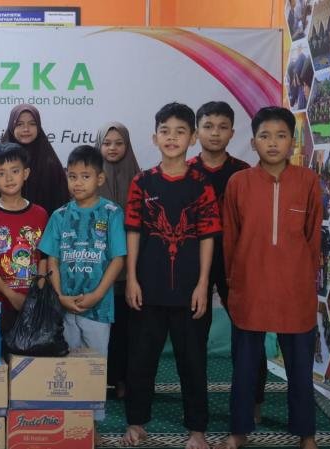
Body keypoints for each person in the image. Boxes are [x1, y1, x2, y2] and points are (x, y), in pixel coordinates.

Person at [217, 107, 322, 449]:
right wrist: (235, 282)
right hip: (250, 287)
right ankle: (238, 431)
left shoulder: (308, 181)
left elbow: (313, 239)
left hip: (295, 290)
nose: (273, 143)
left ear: (293, 142)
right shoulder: (239, 183)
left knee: (300, 369)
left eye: (280, 136)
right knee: (245, 368)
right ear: (253, 142)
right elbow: (230, 239)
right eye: (264, 136)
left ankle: (307, 434)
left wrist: (303, 277)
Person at [122, 103, 221, 449]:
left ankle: (197, 431)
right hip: (147, 288)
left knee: (192, 363)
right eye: (165, 131)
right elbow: (133, 231)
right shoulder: (142, 181)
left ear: (192, 138)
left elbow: (208, 236)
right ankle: (136, 423)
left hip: (190, 291)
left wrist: (203, 284)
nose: (172, 138)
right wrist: (131, 278)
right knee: (141, 360)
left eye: (181, 132)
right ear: (155, 138)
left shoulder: (202, 184)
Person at [38, 145, 126, 443]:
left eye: (85, 176)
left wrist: (98, 294)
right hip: (65, 306)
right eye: (72, 176)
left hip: (98, 308)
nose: (78, 182)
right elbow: (52, 260)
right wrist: (60, 295)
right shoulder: (60, 215)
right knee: (67, 366)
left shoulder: (111, 213)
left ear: (100, 178)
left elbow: (118, 259)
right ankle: (69, 421)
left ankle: (93, 425)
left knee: (95, 367)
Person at [187, 102, 267, 420]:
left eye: (222, 127)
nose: (215, 133)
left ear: (233, 133)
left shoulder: (245, 173)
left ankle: (254, 400)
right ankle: (195, 404)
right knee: (193, 336)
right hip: (194, 265)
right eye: (208, 126)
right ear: (196, 132)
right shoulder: (186, 172)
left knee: (247, 332)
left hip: (237, 263)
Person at [0, 143, 48, 332]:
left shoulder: (40, 214)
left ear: (26, 173)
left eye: (15, 171)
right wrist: (10, 294)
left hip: (32, 302)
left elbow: (44, 258)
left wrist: (37, 295)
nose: (9, 178)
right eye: (1, 173)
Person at [94, 121, 140, 400]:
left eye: (119, 143)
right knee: (97, 329)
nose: (112, 148)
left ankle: (122, 379)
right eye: (107, 143)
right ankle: (97, 380)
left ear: (127, 145)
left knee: (125, 330)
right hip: (96, 267)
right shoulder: (90, 177)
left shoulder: (140, 178)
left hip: (129, 270)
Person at [1, 104, 69, 215]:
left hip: (45, 222)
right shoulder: (0, 159)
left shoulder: (50, 162)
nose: (26, 129)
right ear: (11, 126)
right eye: (19, 124)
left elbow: (61, 200)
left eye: (32, 124)